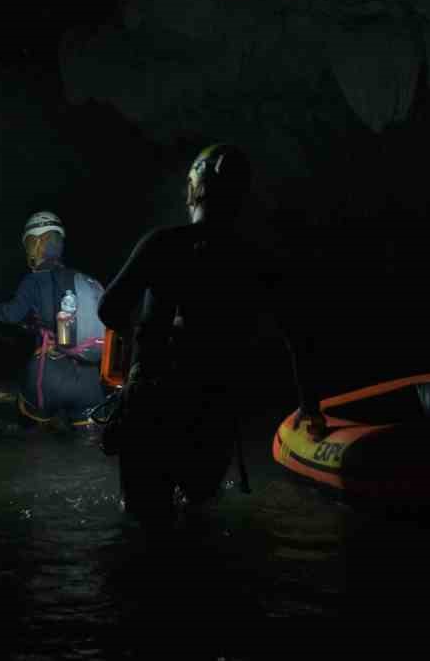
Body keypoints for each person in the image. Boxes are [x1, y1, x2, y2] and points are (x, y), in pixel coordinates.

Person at [97, 143, 326, 530]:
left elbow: (109, 310)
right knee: (198, 522)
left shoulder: (162, 243)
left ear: (194, 188)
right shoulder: (257, 260)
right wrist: (310, 406)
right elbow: (298, 336)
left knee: (142, 528)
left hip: (153, 405)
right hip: (213, 412)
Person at [0, 211, 108, 427]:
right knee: (90, 446)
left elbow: (11, 314)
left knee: (33, 439)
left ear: (36, 244)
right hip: (89, 383)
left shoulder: (35, 280)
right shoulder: (83, 281)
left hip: (48, 378)